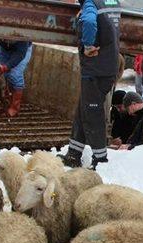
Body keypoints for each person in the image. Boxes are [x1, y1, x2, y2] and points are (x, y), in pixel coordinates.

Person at [59, 0, 122, 170]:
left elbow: (89, 22)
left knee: (92, 114)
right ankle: (74, 154)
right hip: (107, 66)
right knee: (83, 110)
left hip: (96, 69)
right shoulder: (112, 2)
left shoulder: (90, 3)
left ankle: (100, 160)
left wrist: (87, 45)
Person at [0, 38, 33, 117]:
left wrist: (5, 67)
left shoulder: (22, 33)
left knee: (15, 75)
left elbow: (20, 54)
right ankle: (5, 103)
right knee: (3, 76)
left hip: (21, 51)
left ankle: (15, 107)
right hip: (4, 48)